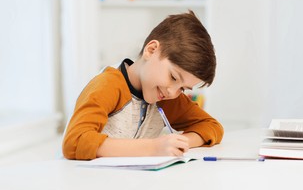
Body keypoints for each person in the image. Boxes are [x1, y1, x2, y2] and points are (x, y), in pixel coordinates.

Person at [62, 10, 223, 160]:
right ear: (151, 50)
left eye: (182, 88)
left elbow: (212, 127)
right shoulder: (108, 85)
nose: (172, 92)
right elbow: (74, 141)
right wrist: (153, 148)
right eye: (173, 77)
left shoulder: (167, 97)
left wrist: (180, 142)